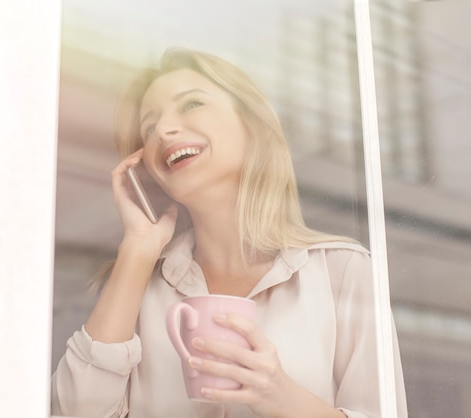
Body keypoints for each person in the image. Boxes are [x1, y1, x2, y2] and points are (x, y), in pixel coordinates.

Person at [52, 47, 408, 418]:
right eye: (149, 127)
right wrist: (138, 249)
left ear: (251, 124)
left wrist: (282, 397)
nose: (163, 131)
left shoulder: (343, 272)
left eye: (191, 105)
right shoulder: (136, 288)